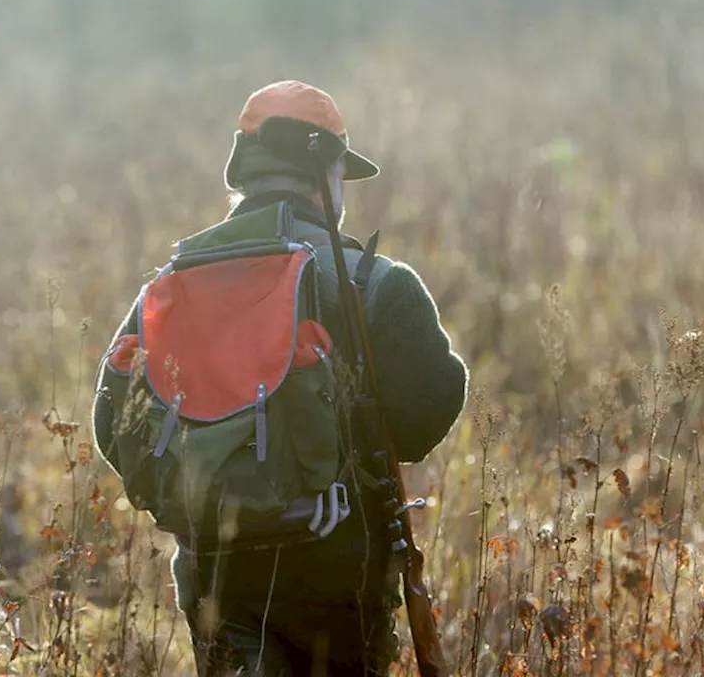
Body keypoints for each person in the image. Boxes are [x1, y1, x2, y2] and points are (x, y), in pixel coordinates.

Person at [91, 80, 468, 675]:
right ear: (327, 170)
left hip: (212, 571)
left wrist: (209, 492)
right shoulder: (375, 285)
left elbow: (112, 423)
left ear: (245, 171)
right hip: (338, 574)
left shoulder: (169, 284)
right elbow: (425, 416)